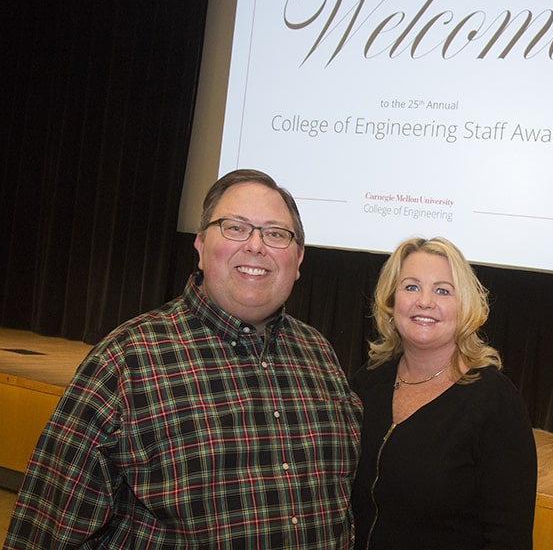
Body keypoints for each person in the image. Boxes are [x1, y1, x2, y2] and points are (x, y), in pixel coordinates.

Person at [3, 169, 363, 549]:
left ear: (299, 258)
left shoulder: (319, 356)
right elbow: (44, 532)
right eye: (236, 227)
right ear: (201, 246)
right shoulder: (127, 362)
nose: (256, 246)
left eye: (275, 234)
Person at [351, 237, 537, 550]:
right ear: (391, 299)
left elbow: (510, 538)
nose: (425, 301)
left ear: (464, 305)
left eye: (442, 290)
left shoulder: (495, 402)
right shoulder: (366, 383)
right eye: (411, 287)